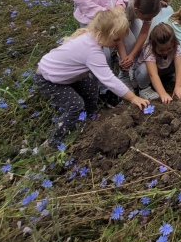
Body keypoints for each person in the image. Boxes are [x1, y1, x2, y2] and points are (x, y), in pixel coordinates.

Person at [34, 8, 149, 147]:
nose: (118, 43)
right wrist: (133, 98)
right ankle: (53, 142)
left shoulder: (93, 37)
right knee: (75, 106)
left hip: (67, 75)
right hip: (50, 78)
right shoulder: (92, 52)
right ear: (104, 35)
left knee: (91, 89)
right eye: (116, 39)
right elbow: (109, 80)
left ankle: (90, 118)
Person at [117, 0, 162, 88]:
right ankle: (123, 76)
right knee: (129, 43)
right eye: (148, 18)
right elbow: (119, 37)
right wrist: (124, 57)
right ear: (137, 10)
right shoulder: (124, 8)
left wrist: (132, 56)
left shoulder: (147, 5)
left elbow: (144, 33)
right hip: (115, 21)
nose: (149, 19)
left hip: (133, 17)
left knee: (140, 44)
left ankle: (133, 72)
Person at [131, 22, 181, 103]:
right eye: (161, 50)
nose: (165, 52)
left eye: (169, 48)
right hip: (147, 74)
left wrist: (178, 86)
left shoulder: (176, 46)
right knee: (144, 69)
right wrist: (163, 94)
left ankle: (168, 79)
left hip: (162, 69)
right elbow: (153, 74)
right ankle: (144, 89)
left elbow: (179, 66)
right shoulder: (149, 50)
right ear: (153, 45)